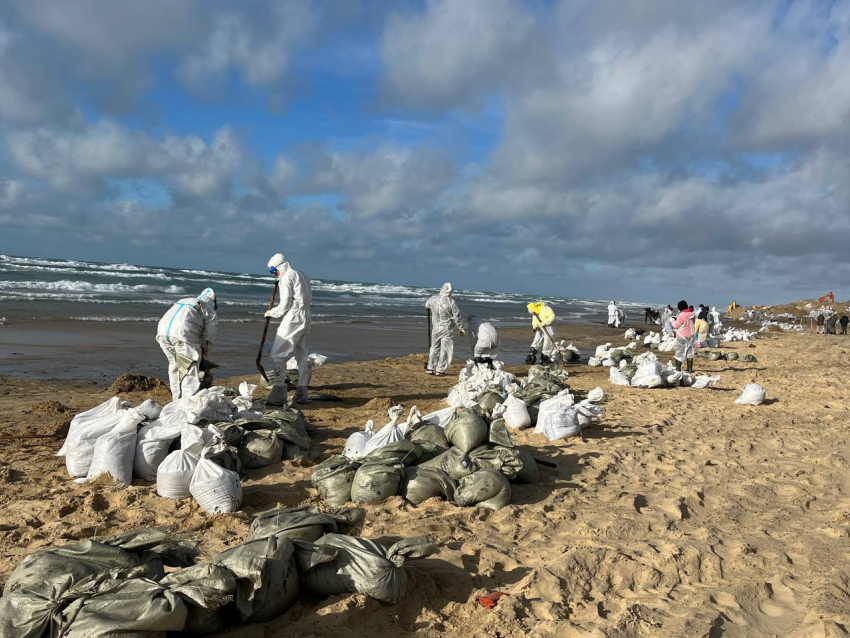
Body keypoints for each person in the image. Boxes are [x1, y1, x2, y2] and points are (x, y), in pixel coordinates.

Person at [265, 253, 312, 405]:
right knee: (301, 355)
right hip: (306, 315)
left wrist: (272, 313)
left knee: (278, 353)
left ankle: (278, 393)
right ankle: (302, 393)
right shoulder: (301, 274)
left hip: (294, 316)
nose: (274, 275)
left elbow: (285, 305)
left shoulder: (286, 278)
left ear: (279, 267)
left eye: (273, 271)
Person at [156, 287, 218, 402]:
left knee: (174, 364)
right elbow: (208, 337)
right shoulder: (209, 310)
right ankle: (188, 402)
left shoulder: (186, 301)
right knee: (190, 367)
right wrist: (205, 354)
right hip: (182, 333)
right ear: (213, 302)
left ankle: (176, 398)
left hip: (162, 331)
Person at [425, 283, 463, 377]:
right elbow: (457, 316)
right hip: (446, 328)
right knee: (445, 349)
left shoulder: (433, 299)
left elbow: (427, 305)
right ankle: (440, 370)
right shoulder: (451, 302)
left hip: (435, 328)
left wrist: (430, 308)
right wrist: (461, 327)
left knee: (434, 348)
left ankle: (430, 367)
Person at [670, 300, 695, 374]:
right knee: (690, 352)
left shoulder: (681, 315)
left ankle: (678, 368)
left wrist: (672, 320)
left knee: (680, 352)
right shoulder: (692, 314)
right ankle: (689, 369)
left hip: (682, 336)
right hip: (691, 336)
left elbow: (675, 325)